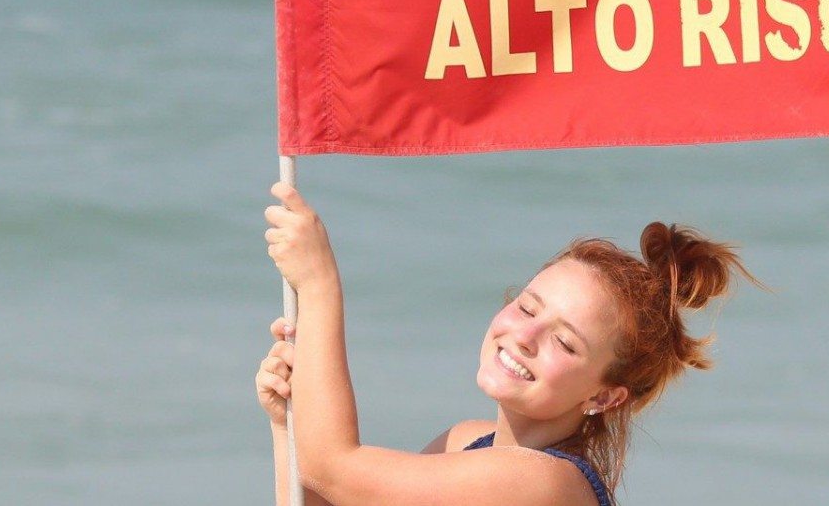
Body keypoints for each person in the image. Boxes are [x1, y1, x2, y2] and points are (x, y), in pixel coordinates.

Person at [256, 181, 766, 506]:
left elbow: (335, 467)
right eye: (527, 308)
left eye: (564, 343)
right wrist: (291, 424)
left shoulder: (547, 486)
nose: (523, 337)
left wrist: (320, 285)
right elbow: (324, 484)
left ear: (605, 397)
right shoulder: (464, 444)